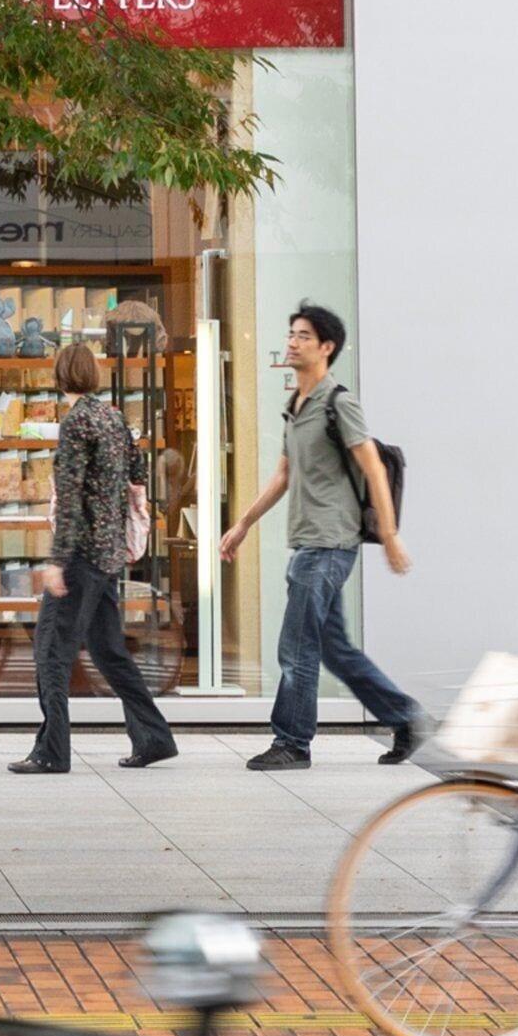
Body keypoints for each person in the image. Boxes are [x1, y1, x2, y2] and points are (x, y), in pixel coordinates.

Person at [222, 302, 423, 767]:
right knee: (334, 649)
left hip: (329, 543)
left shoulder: (338, 403)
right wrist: (243, 523)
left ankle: (292, 743)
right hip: (308, 542)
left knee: (296, 646)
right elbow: (283, 475)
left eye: (304, 336)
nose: (292, 343)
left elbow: (373, 467)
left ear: (327, 347)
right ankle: (406, 718)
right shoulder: (296, 405)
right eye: (291, 334)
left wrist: (390, 534)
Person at [12, 339, 178, 774]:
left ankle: (52, 751)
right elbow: (138, 475)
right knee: (108, 651)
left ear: (59, 377)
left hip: (80, 555)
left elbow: (69, 497)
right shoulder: (113, 418)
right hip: (109, 554)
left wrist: (57, 560)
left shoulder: (76, 423)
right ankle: (154, 738)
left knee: (51, 650)